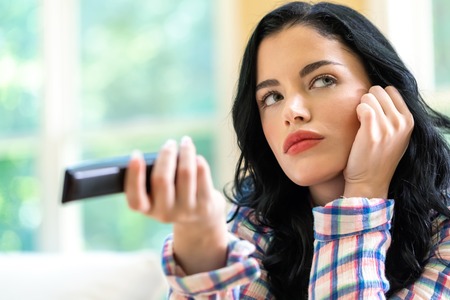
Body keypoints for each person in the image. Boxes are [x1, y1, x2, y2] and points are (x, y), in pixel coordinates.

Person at [125, 1, 450, 299]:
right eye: (272, 97)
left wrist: (363, 191)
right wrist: (202, 246)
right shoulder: (255, 223)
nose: (291, 111)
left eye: (322, 80)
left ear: (386, 98)